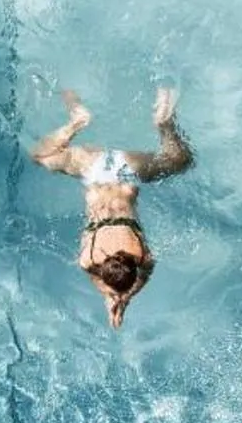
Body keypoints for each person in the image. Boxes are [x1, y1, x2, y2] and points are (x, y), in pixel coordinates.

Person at [31, 85, 192, 328]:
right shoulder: (90, 258)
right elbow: (102, 280)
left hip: (128, 173)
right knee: (40, 157)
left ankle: (163, 124)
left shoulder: (140, 255)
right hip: (94, 173)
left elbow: (144, 274)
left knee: (180, 161)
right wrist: (115, 298)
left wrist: (124, 296)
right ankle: (77, 121)